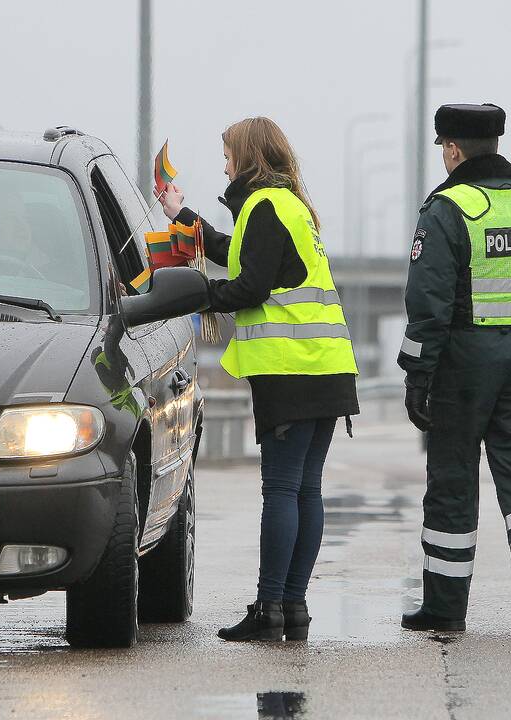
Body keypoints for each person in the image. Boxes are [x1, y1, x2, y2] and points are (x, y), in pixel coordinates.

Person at [160, 117, 359, 641]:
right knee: (305, 491)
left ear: (247, 156)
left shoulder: (265, 206)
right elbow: (241, 255)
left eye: (227, 154)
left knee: (282, 490)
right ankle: (292, 607)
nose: (223, 163)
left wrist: (194, 294)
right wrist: (183, 217)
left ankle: (270, 606)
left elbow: (249, 286)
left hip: (291, 371)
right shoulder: (286, 205)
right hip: (327, 367)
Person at [398, 103, 511, 632]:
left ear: (453, 149)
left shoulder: (447, 210)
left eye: (442, 148)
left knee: (453, 480)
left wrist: (417, 375)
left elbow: (428, 304)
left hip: (463, 362)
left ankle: (445, 606)